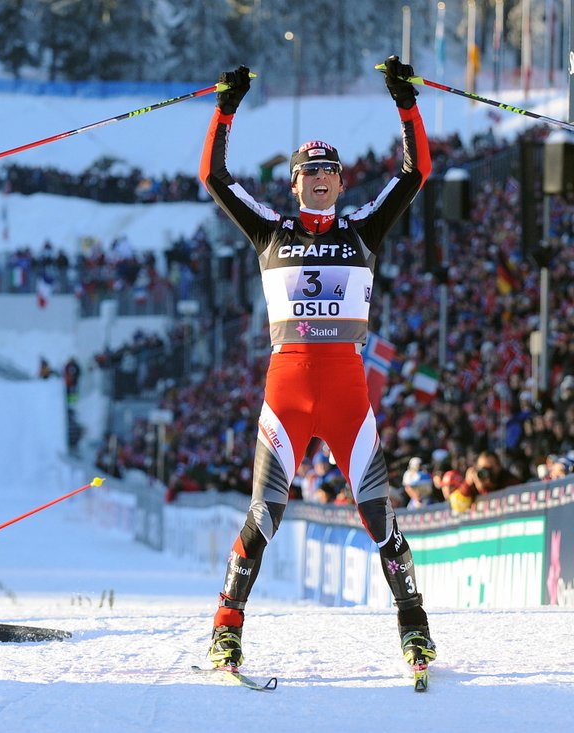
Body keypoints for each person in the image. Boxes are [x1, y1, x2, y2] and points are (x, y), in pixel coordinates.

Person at [198, 57, 435, 672]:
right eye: (310, 171)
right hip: (288, 393)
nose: (321, 179)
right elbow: (214, 177)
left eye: (329, 170)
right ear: (294, 183)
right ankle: (226, 628)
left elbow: (416, 172)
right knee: (262, 518)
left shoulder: (363, 229)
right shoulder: (270, 231)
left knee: (380, 517)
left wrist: (405, 103)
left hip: (347, 395)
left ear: (341, 181)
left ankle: (414, 628)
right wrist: (226, 111)